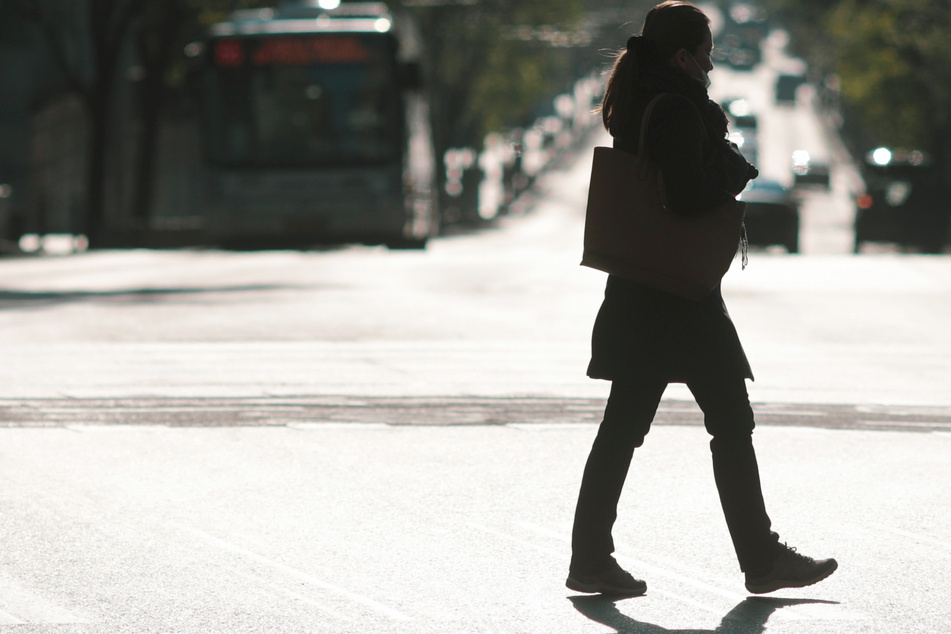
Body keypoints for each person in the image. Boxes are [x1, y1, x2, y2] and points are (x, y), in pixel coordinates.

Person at [567, 1, 837, 597]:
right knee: (729, 423)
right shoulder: (676, 111)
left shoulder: (640, 99)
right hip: (679, 298)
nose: (712, 67)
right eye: (706, 54)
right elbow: (687, 196)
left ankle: (590, 557)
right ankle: (760, 559)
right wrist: (732, 174)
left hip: (642, 287)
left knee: (626, 428)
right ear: (684, 55)